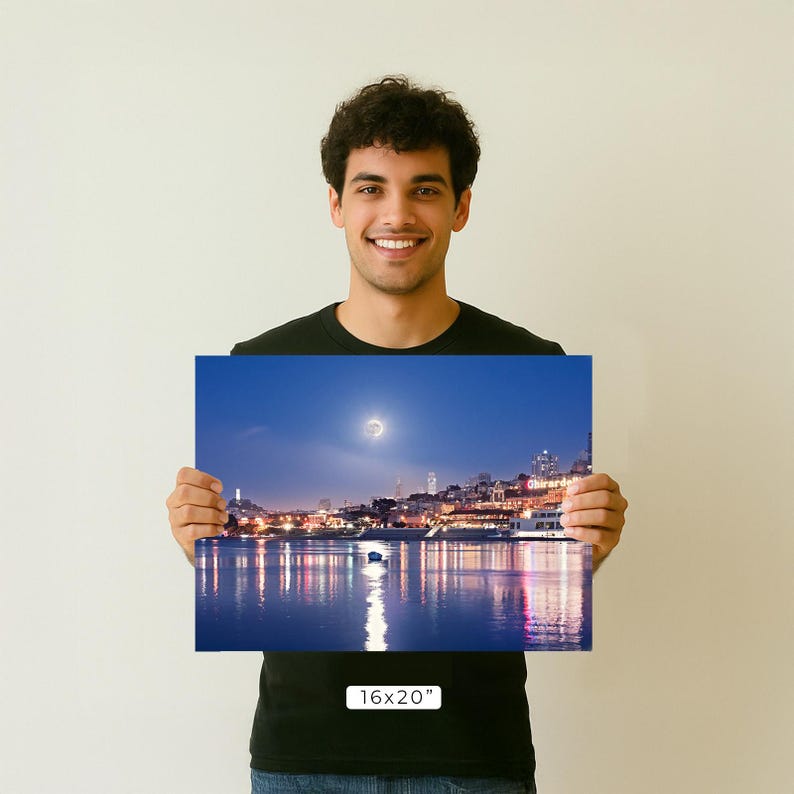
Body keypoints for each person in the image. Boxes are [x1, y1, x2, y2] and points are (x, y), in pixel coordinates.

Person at [167, 76, 628, 794]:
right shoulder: (260, 360)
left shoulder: (534, 361)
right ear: (336, 204)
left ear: (461, 207)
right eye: (370, 188)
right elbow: (229, 570)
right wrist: (202, 543)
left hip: (474, 759)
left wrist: (585, 549)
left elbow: (543, 584)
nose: (396, 214)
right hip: (304, 759)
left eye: (424, 189)